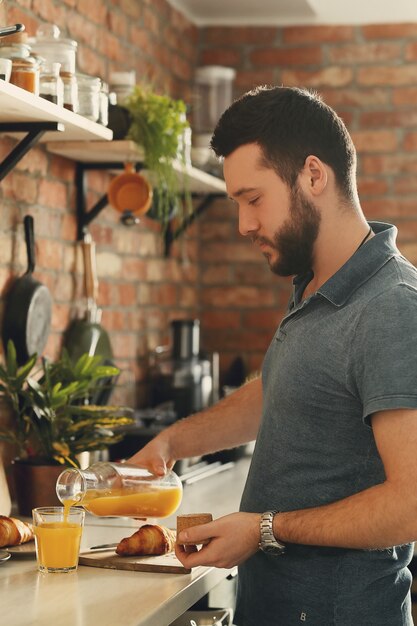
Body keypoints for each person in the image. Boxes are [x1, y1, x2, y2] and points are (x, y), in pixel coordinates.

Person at [130, 86, 417, 625]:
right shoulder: (316, 284)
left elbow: (411, 504)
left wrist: (263, 527)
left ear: (313, 175)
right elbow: (284, 390)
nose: (243, 224)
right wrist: (171, 442)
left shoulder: (392, 308)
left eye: (253, 199)